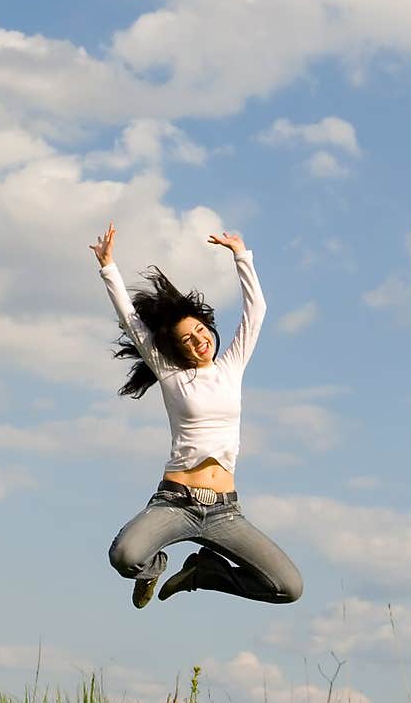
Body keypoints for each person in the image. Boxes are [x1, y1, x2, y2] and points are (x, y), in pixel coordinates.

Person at [89, 221, 303, 609]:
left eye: (202, 330)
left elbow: (256, 312)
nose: (199, 340)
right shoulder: (171, 375)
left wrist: (241, 256)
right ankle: (153, 569)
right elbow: (133, 324)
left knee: (288, 588)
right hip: (176, 502)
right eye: (188, 338)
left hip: (225, 511)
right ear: (176, 346)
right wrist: (108, 268)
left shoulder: (231, 367)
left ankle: (205, 573)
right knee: (125, 557)